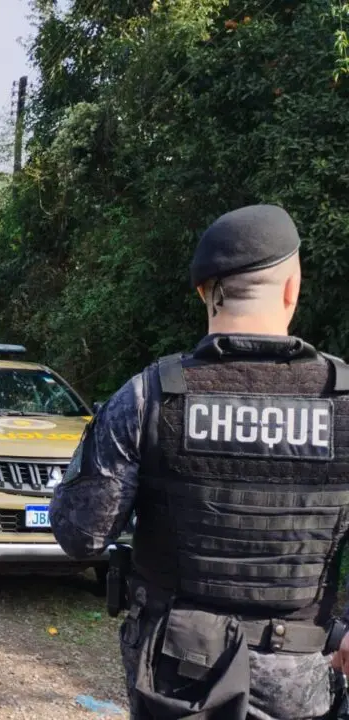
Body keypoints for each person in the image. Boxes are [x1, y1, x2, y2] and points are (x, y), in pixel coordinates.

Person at [49, 204, 349, 720]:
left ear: (204, 292)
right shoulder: (342, 401)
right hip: (300, 676)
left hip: (177, 673)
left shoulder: (149, 397)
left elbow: (82, 535)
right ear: (291, 288)